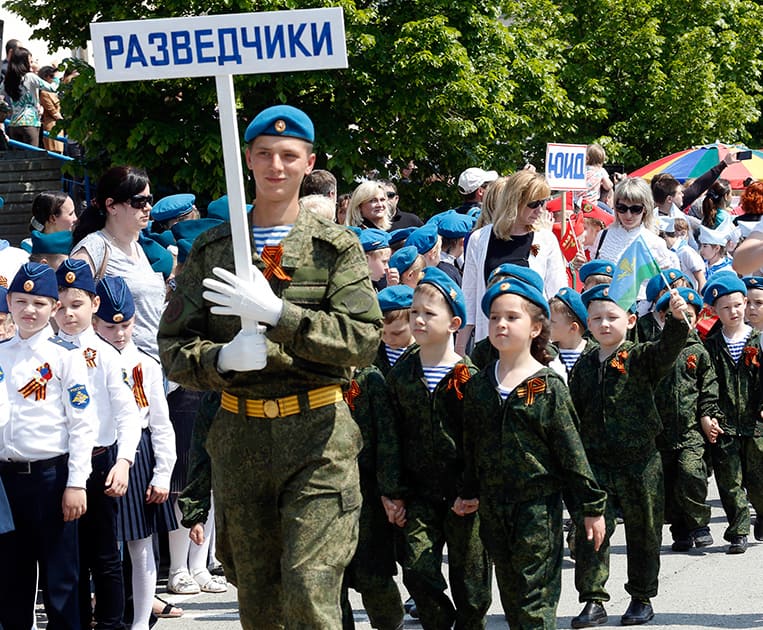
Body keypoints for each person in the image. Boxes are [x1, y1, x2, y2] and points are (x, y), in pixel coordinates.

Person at [157, 104, 383, 627]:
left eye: (289, 156)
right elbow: (173, 348)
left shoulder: (334, 248)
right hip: (241, 434)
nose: (276, 166)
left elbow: (363, 340)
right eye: (264, 155)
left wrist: (281, 316)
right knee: (257, 595)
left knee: (310, 586)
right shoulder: (214, 249)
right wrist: (222, 359)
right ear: (247, 160)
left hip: (318, 435)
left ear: (309, 163)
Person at [461, 276, 605, 629]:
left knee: (534, 602)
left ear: (536, 327)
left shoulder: (548, 386)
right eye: (494, 318)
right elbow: (471, 445)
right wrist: (467, 491)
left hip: (536, 509)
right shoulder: (480, 384)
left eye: (512, 317)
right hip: (494, 508)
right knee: (512, 600)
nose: (501, 325)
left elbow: (571, 452)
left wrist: (591, 508)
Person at [568, 283, 689, 628]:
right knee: (592, 532)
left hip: (640, 462)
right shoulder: (585, 364)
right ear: (587, 324)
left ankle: (641, 596)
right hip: (597, 464)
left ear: (631, 320)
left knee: (644, 532)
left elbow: (669, 349)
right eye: (596, 319)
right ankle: (593, 598)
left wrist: (678, 320)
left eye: (612, 317)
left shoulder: (641, 356)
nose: (605, 324)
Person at [380, 267, 491, 629]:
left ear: (454, 322)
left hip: (462, 497)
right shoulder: (400, 376)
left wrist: (471, 490)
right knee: (416, 567)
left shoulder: (468, 377)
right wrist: (392, 492)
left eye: (430, 314)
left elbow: (479, 442)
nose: (419, 320)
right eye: (415, 313)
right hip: (419, 495)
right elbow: (390, 437)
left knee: (471, 582)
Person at [0, 262, 97, 629]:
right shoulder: (1, 353)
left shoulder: (65, 356)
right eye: (21, 301)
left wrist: (76, 483)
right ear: (9, 302)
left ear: (54, 307)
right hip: (6, 482)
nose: (29, 310)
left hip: (51, 480)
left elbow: (82, 424)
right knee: (11, 581)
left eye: (39, 303)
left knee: (61, 583)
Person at [54, 259, 142, 629]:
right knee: (65, 558)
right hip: (57, 467)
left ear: (94, 304)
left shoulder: (106, 354)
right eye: (60, 304)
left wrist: (124, 461)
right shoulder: (44, 351)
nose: (69, 313)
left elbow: (128, 414)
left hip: (99, 464)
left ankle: (109, 624)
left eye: (77, 304)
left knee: (105, 556)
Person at [93, 276, 177, 630]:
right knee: (102, 546)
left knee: (141, 543)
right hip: (97, 451)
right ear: (95, 322)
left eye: (126, 325)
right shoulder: (84, 359)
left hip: (138, 455)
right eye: (111, 326)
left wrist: (163, 473)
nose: (120, 334)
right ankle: (107, 615)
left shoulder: (146, 365)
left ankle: (142, 621)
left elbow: (160, 423)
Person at [458, 171, 568, 351]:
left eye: (543, 202)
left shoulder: (546, 240)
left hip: (533, 346)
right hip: (490, 344)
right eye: (533, 203)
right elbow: (469, 297)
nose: (540, 210)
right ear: (514, 201)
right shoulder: (479, 240)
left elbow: (557, 297)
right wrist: (460, 349)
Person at [650, 287, 720, 552]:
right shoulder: (656, 351)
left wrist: (707, 414)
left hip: (691, 431)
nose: (683, 320)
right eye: (674, 316)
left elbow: (709, 387)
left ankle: (699, 524)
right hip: (661, 432)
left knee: (692, 473)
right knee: (668, 484)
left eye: (688, 316)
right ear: (663, 317)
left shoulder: (699, 352)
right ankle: (679, 530)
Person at [71, 166, 166, 361]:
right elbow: (69, 307)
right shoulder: (94, 248)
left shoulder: (137, 246)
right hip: (118, 369)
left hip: (156, 367)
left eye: (149, 200)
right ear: (111, 206)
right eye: (139, 201)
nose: (148, 207)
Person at [340, 362, 405, 630]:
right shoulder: (310, 376)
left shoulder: (370, 379)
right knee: (330, 580)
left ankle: (391, 624)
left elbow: (387, 438)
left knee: (373, 574)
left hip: (367, 490)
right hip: (321, 489)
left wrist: (391, 491)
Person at [701, 272, 763, 553]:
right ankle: (738, 530)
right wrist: (708, 413)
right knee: (729, 481)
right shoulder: (711, 346)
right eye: (726, 307)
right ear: (715, 311)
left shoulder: (759, 340)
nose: (735, 311)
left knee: (758, 478)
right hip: (724, 424)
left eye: (739, 305)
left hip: (756, 424)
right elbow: (706, 384)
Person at [591, 177, 676, 274]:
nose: (628, 215)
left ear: (645, 209)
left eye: (635, 209)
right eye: (622, 208)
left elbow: (664, 283)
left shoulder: (656, 243)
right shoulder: (602, 236)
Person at [2, 47, 57, 146]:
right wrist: (56, 77)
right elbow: (52, 88)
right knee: (32, 159)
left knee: (19, 159)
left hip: (14, 124)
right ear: (23, 63)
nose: (32, 64)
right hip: (30, 123)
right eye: (30, 61)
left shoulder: (8, 79)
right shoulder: (30, 77)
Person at [375, 284, 416, 376]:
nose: (388, 339)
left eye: (397, 333)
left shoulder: (424, 354)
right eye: (382, 333)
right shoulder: (372, 352)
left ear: (414, 323)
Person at [574, 143, 613, 208]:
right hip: (592, 203)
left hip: (576, 202)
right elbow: (608, 186)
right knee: (610, 213)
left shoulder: (580, 170)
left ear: (586, 158)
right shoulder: (601, 171)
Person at [38, 65, 64, 152]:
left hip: (58, 124)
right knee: (54, 150)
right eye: (51, 76)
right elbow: (52, 110)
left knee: (60, 150)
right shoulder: (44, 93)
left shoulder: (52, 91)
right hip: (51, 125)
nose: (53, 79)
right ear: (45, 77)